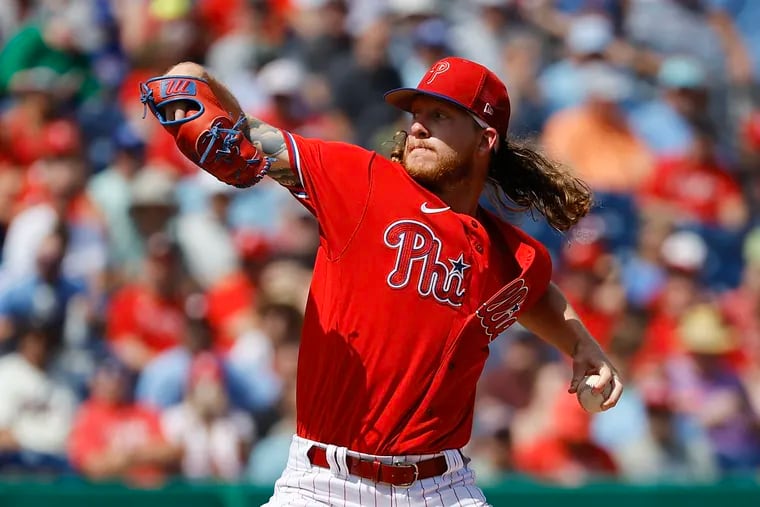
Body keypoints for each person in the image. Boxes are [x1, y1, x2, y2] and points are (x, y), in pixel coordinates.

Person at [140, 55, 623, 506]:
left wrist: (581, 343)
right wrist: (194, 75)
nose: (417, 126)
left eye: (440, 116)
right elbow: (238, 123)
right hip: (322, 483)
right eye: (416, 114)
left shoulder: (512, 254)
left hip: (440, 486)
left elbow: (531, 292)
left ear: (485, 140)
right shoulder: (360, 181)